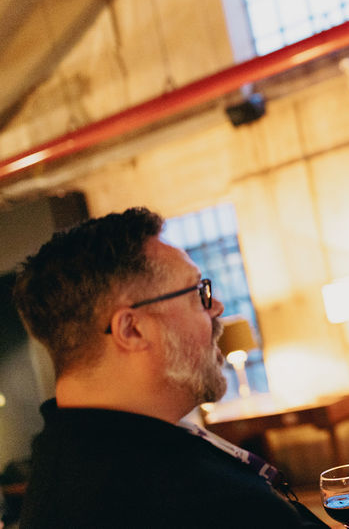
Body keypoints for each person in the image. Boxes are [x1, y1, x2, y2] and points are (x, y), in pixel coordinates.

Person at [12, 207, 327, 528]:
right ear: (132, 329)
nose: (217, 307)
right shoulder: (196, 500)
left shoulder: (62, 464)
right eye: (197, 292)